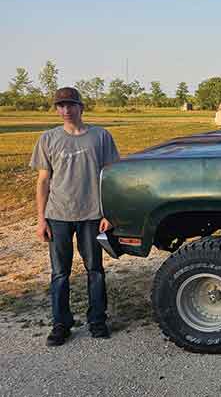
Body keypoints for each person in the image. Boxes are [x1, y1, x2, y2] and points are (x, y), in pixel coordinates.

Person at [30, 87, 120, 346]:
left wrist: (109, 213)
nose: (65, 110)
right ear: (56, 109)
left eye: (70, 105)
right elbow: (43, 181)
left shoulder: (100, 137)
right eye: (60, 106)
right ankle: (61, 324)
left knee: (95, 270)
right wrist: (41, 219)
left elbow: (111, 177)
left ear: (81, 107)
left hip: (92, 215)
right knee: (60, 273)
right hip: (58, 215)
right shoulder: (48, 138)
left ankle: (97, 320)